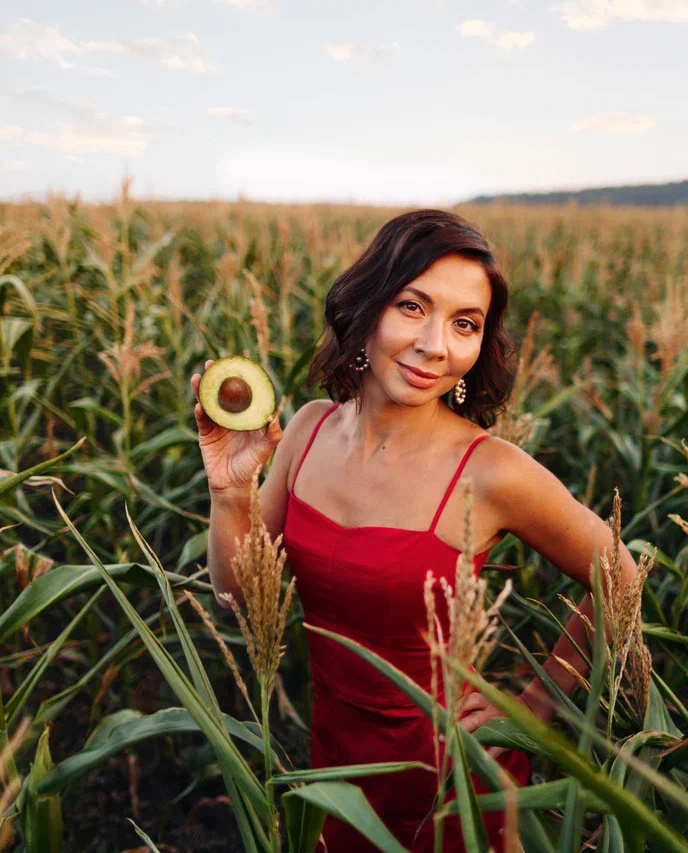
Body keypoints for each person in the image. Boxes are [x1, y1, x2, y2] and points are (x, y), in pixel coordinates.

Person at [192, 209, 640, 852]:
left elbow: (619, 574)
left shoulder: (493, 472)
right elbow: (239, 599)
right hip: (334, 771)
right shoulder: (308, 429)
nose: (436, 344)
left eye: (466, 324)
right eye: (412, 306)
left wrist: (540, 700)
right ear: (366, 308)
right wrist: (231, 490)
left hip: (453, 777)